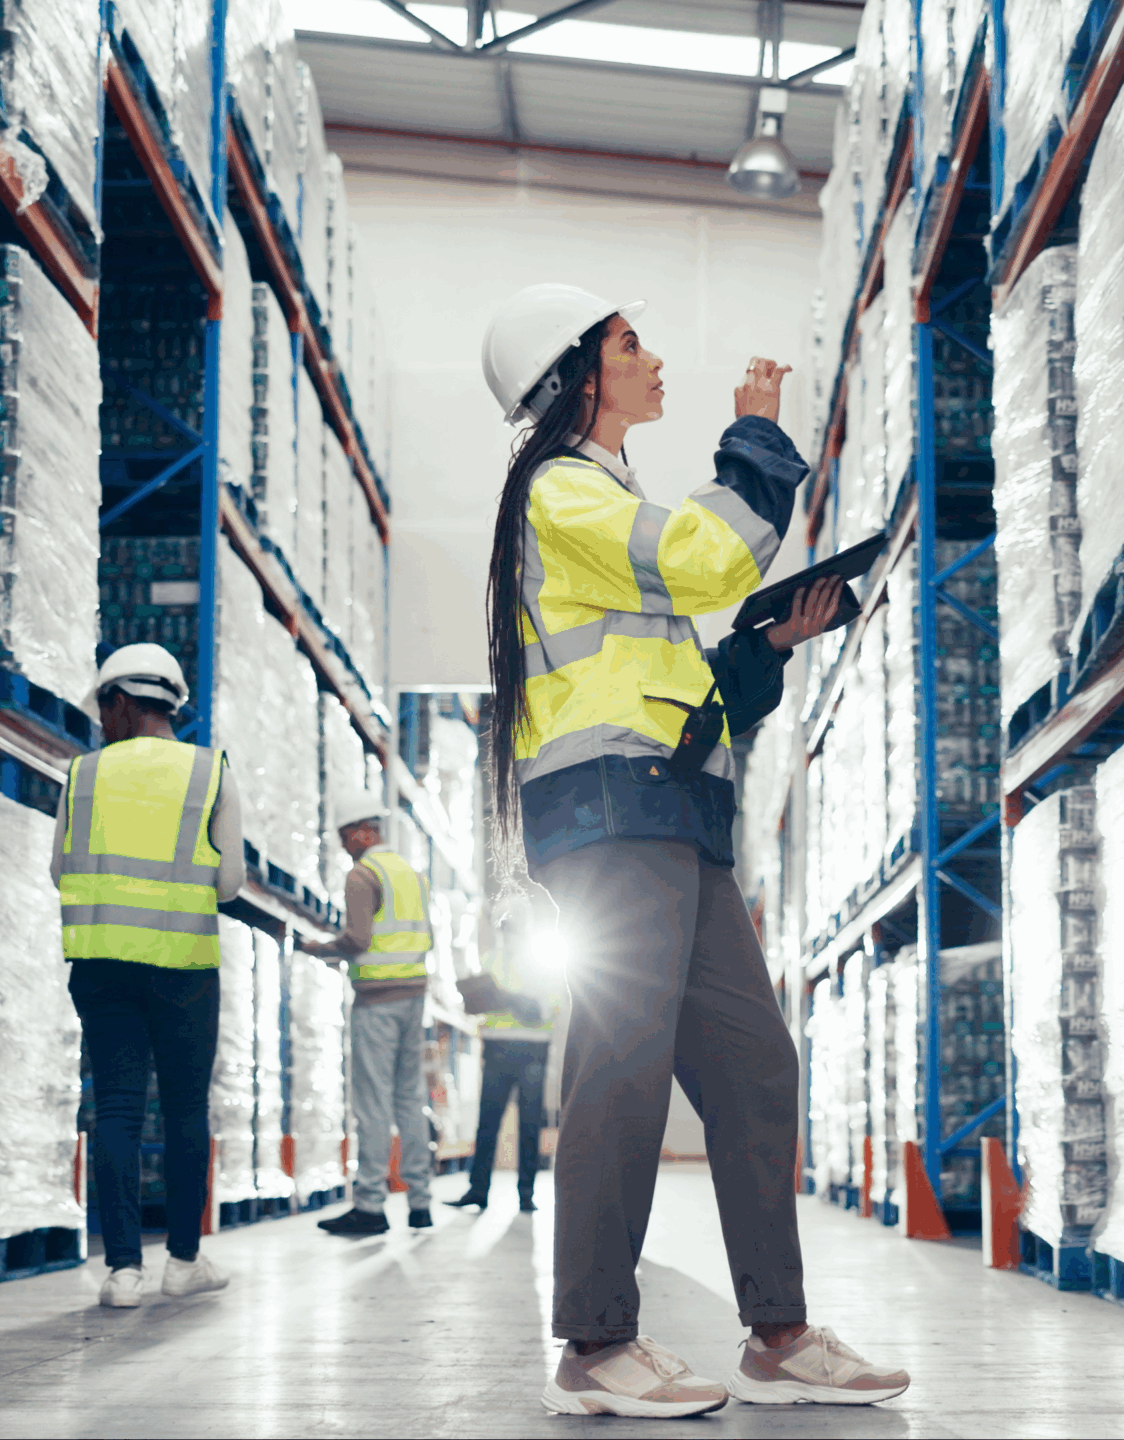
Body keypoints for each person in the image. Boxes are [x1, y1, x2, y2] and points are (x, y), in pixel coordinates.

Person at [479, 284, 909, 1416]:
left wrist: (766, 649)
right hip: (609, 815)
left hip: (673, 813)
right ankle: (595, 1344)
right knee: (618, 1074)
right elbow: (704, 559)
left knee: (754, 1065)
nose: (650, 358)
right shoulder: (560, 493)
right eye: (629, 345)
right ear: (577, 377)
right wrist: (756, 436)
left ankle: (776, 1333)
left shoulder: (608, 505)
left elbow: (691, 692)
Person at [51, 644, 243, 1309]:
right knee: (187, 1109)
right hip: (184, 965)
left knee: (119, 1109)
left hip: (102, 963)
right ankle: (183, 1261)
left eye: (103, 708)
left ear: (122, 701)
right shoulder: (208, 770)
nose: (101, 721)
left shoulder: (82, 775)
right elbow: (231, 882)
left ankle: (123, 1272)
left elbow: (59, 870)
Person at [299, 794, 435, 1237]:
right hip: (415, 996)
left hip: (377, 1001)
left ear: (362, 831)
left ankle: (371, 1206)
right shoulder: (410, 874)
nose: (343, 847)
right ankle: (420, 1204)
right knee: (409, 1099)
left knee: (373, 1104)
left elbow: (357, 939)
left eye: (344, 837)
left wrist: (317, 948)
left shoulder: (363, 875)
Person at [445, 942, 560, 1214]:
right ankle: (478, 1190)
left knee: (529, 1125)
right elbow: (479, 1002)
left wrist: (512, 999)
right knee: (487, 1124)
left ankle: (526, 1194)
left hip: (533, 1050)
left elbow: (548, 1008)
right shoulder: (491, 958)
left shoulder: (545, 959)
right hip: (497, 1049)